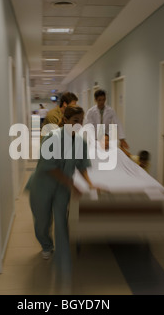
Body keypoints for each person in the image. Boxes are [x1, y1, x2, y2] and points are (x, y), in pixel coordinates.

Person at [26, 105, 97, 276]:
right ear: (65, 121)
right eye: (75, 121)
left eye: (81, 121)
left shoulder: (81, 142)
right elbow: (49, 167)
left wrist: (89, 183)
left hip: (62, 188)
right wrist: (73, 185)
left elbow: (82, 165)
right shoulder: (51, 137)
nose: (79, 124)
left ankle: (62, 254)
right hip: (43, 185)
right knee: (42, 221)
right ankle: (46, 245)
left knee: (61, 220)